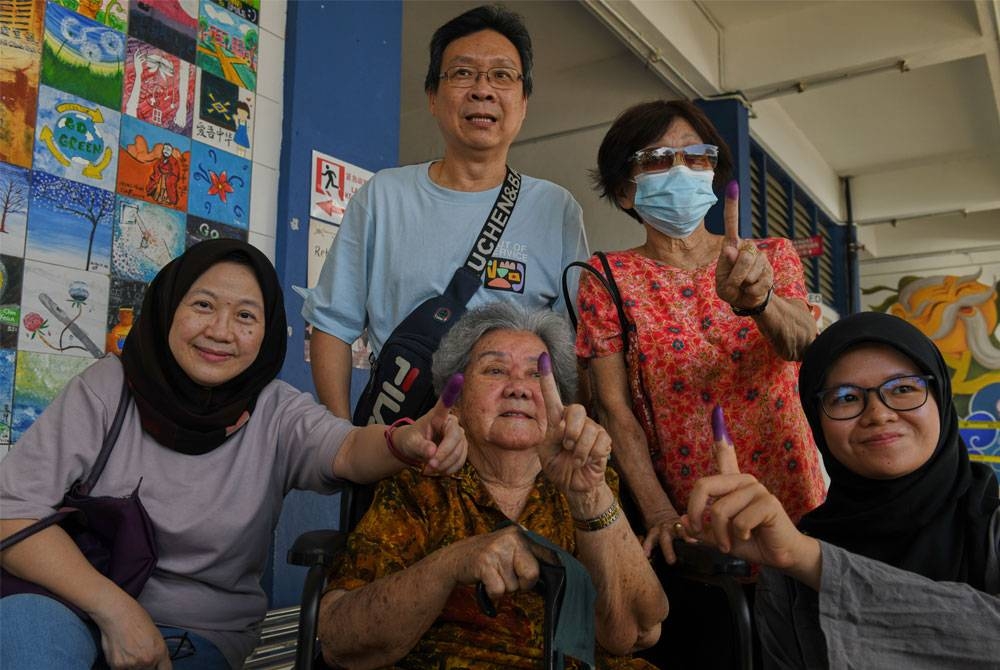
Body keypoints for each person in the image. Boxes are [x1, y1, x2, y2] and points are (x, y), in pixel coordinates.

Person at [0, 239, 467, 670]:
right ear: (168, 308)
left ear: (266, 331)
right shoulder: (108, 387)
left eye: (246, 316)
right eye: (203, 305)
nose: (221, 331)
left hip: (197, 630)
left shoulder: (275, 411)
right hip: (74, 597)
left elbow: (345, 449)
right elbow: (12, 512)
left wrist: (403, 440)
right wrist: (117, 610)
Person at [317, 303, 668, 669]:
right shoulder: (419, 486)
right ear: (455, 404)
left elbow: (637, 632)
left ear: (558, 404)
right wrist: (451, 564)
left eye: (536, 375)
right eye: (495, 370)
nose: (518, 388)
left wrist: (589, 497)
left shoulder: (591, 479)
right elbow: (340, 638)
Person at [301, 5, 588, 419]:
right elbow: (332, 324)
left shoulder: (557, 209)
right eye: (462, 73)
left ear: (523, 103)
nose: (482, 90)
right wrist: (343, 442)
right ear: (433, 98)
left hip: (515, 445)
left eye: (502, 75)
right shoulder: (384, 196)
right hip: (400, 436)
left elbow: (573, 347)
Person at [575, 99, 825, 564]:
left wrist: (762, 303)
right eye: (656, 159)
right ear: (625, 192)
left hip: (793, 491)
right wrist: (657, 513)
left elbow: (806, 345)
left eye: (696, 156)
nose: (681, 170)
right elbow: (614, 411)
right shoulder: (607, 276)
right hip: (690, 515)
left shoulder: (768, 256)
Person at [680, 311, 1000, 668]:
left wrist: (814, 564)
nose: (878, 414)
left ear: (939, 395)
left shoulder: (992, 526)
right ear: (818, 421)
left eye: (904, 389)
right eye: (846, 398)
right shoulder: (788, 564)